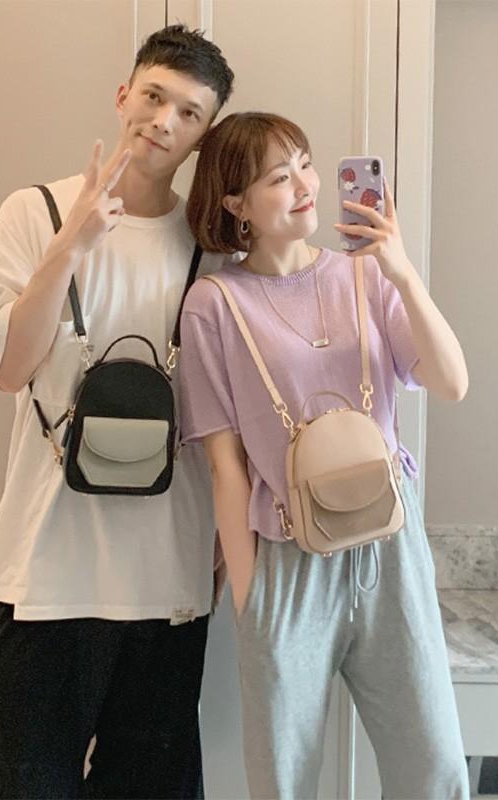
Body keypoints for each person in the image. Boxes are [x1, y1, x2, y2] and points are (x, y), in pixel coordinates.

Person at [0, 25, 233, 798]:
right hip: (46, 574)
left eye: (189, 112)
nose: (164, 121)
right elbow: (10, 369)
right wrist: (73, 244)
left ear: (203, 133)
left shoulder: (210, 245)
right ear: (124, 96)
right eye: (154, 96)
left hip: (170, 579)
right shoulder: (34, 213)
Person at [179, 112, 471, 799]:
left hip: (391, 551)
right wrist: (252, 599)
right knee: (282, 779)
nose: (305, 185)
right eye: (279, 177)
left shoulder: (366, 276)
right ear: (236, 203)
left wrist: (402, 272)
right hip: (286, 561)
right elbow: (225, 467)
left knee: (434, 771)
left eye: (306, 165)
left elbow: (452, 382)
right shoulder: (213, 306)